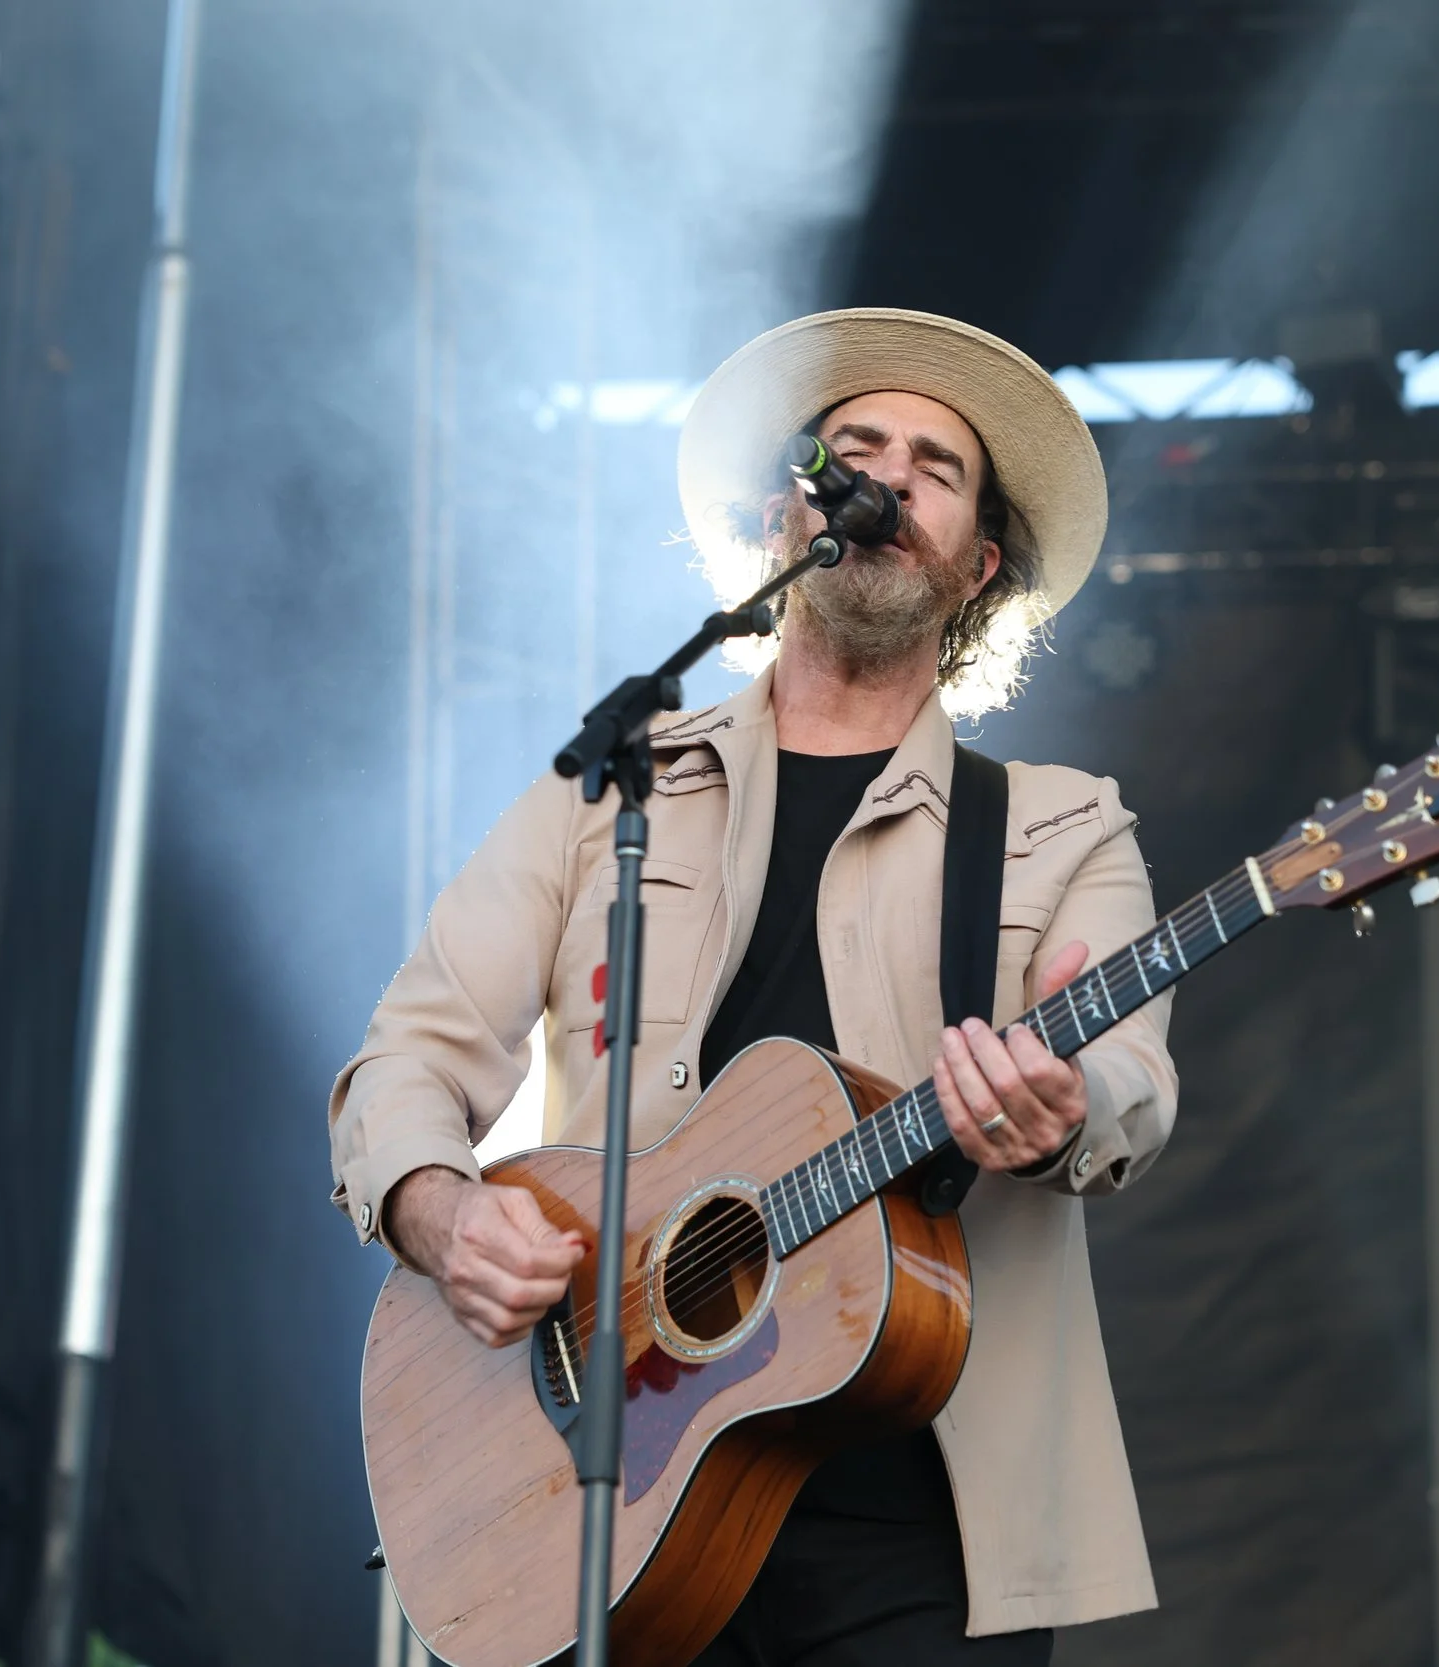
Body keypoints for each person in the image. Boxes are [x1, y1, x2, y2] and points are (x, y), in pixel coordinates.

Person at [327, 308, 1180, 1664]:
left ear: (980, 567)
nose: (888, 480)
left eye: (935, 468)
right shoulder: (614, 786)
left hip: (923, 1531)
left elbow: (1134, 1077)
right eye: (856, 451)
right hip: (603, 1497)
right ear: (795, 520)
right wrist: (437, 1208)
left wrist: (1067, 1109)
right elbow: (411, 1055)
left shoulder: (1064, 827)